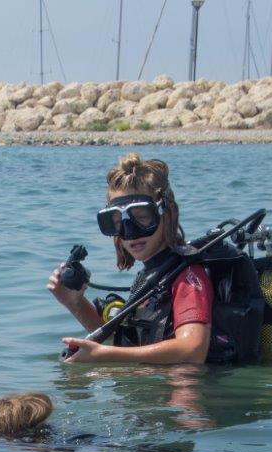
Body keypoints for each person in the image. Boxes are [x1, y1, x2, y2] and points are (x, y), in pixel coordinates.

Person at [47, 153, 213, 365]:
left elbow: (193, 349)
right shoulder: (152, 276)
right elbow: (119, 341)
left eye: (142, 217)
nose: (131, 231)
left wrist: (105, 357)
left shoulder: (188, 276)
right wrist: (75, 302)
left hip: (183, 393)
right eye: (117, 221)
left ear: (167, 213)